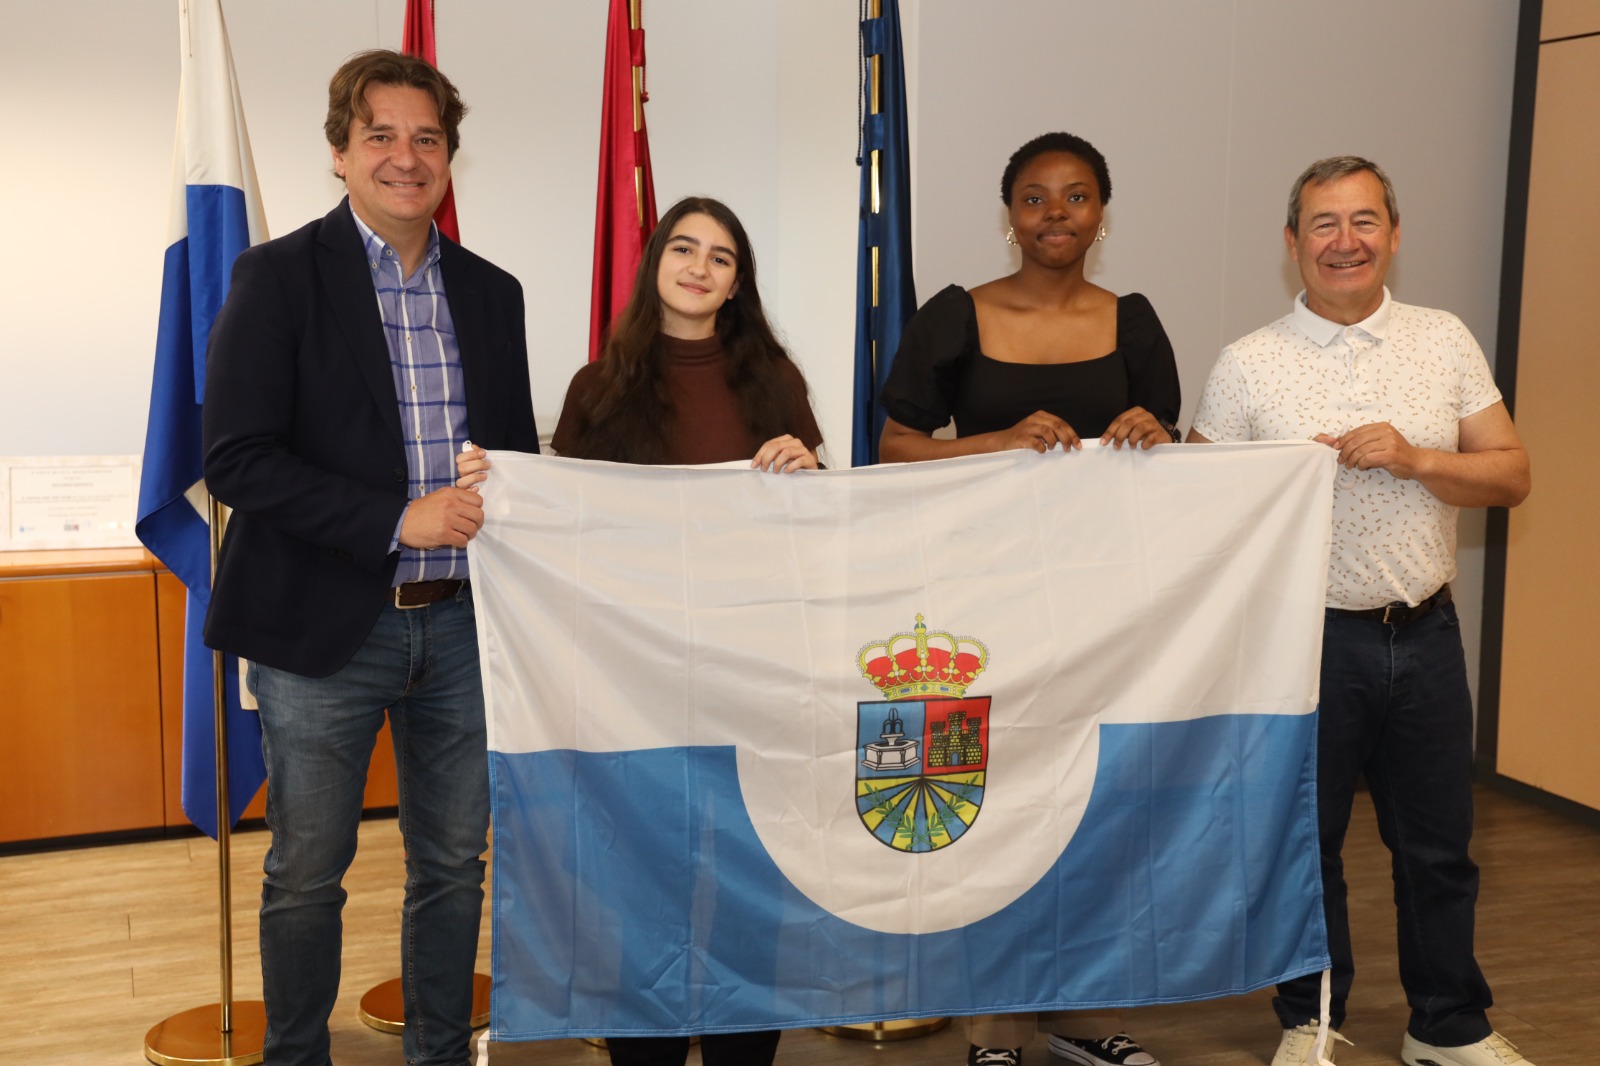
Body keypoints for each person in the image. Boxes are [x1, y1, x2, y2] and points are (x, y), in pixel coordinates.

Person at [202, 50, 539, 1066]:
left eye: (427, 138)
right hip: (321, 630)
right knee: (307, 870)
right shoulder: (276, 276)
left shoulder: (492, 292)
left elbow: (512, 451)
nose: (406, 156)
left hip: (465, 624)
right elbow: (235, 461)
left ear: (450, 157)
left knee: (452, 865)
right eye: (381, 135)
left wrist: (517, 481)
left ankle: (439, 1052)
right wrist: (401, 517)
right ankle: (296, 1055)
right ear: (340, 152)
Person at [457, 195, 822, 1066]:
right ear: (655, 262)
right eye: (684, 248)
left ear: (738, 284)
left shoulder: (777, 384)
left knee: (746, 881)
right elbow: (565, 522)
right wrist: (500, 485)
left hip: (747, 671)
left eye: (721, 257)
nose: (699, 267)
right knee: (636, 882)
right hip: (630, 677)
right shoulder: (600, 386)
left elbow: (817, 526)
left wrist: (810, 471)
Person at [1188, 157, 1533, 1066]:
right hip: (1305, 644)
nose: (1345, 242)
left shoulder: (1444, 339)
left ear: (1394, 233)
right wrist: (1265, 480)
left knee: (1438, 849)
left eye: (1364, 221)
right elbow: (1196, 506)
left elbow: (1511, 473)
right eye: (1324, 224)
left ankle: (1447, 1028)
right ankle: (1312, 1022)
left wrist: (1416, 457)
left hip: (1424, 631)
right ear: (1292, 242)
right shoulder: (1249, 363)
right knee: (1308, 848)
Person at [878, 132, 1172, 1066]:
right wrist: (994, 442)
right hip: (978, 601)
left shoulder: (1134, 319)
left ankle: (1075, 1014)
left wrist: (1153, 433)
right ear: (1010, 213)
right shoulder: (953, 315)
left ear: (1101, 213)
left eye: (1076, 197)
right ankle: (994, 1026)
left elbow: (1173, 447)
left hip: (1098, 605)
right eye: (1036, 198)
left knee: (1090, 801)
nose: (1056, 215)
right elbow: (893, 448)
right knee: (990, 805)